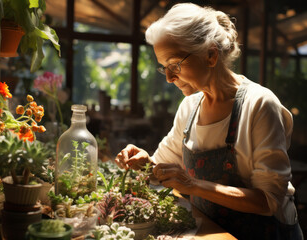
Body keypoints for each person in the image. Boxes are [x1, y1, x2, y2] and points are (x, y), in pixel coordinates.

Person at [114, 3, 303, 240]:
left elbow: (269, 201)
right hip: (214, 232)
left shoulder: (259, 105)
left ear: (211, 55)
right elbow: (162, 170)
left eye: (175, 65)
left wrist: (193, 185)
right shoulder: (190, 108)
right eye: (164, 68)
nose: (170, 78)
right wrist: (145, 164)